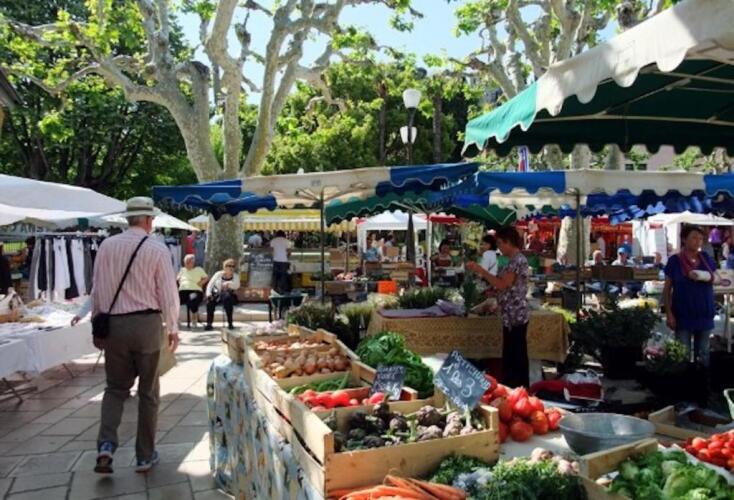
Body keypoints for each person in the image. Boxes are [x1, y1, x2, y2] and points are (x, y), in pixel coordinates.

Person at [90, 197, 179, 475]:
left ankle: (106, 445)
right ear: (149, 220)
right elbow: (168, 293)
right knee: (148, 392)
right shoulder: (157, 248)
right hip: (147, 325)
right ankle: (144, 455)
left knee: (115, 389)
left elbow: (98, 289)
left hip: (115, 326)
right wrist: (173, 327)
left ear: (128, 219)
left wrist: (97, 325)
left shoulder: (107, 246)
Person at [466, 227, 530, 388]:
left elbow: (502, 284)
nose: (499, 247)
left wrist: (481, 271)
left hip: (515, 315)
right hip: (509, 315)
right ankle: (513, 388)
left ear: (509, 242)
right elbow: (504, 286)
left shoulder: (518, 260)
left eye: (501, 243)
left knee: (516, 357)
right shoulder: (511, 260)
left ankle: (519, 388)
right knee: (510, 355)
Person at [664, 225, 716, 369]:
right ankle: (683, 381)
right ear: (684, 239)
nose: (698, 241)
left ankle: (702, 380)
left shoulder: (706, 259)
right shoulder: (674, 261)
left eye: (700, 239)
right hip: (683, 314)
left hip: (704, 313)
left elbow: (716, 277)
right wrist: (669, 313)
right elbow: (667, 290)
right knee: (682, 354)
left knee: (703, 354)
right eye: (694, 237)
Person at [205, 259, 240, 330]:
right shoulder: (218, 274)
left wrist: (228, 284)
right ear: (225, 267)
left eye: (233, 266)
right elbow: (210, 284)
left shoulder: (236, 276)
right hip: (217, 293)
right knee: (209, 302)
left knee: (227, 298)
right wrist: (208, 294)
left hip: (229, 295)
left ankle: (230, 323)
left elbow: (237, 285)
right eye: (229, 266)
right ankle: (209, 324)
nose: (231, 268)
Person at [177, 254, 208, 328]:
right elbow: (177, 279)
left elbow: (206, 278)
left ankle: (194, 318)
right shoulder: (182, 270)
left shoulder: (199, 269)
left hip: (195, 290)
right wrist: (181, 283)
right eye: (186, 262)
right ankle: (176, 319)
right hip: (183, 291)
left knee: (193, 299)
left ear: (193, 262)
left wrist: (201, 283)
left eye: (189, 262)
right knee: (174, 301)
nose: (187, 264)